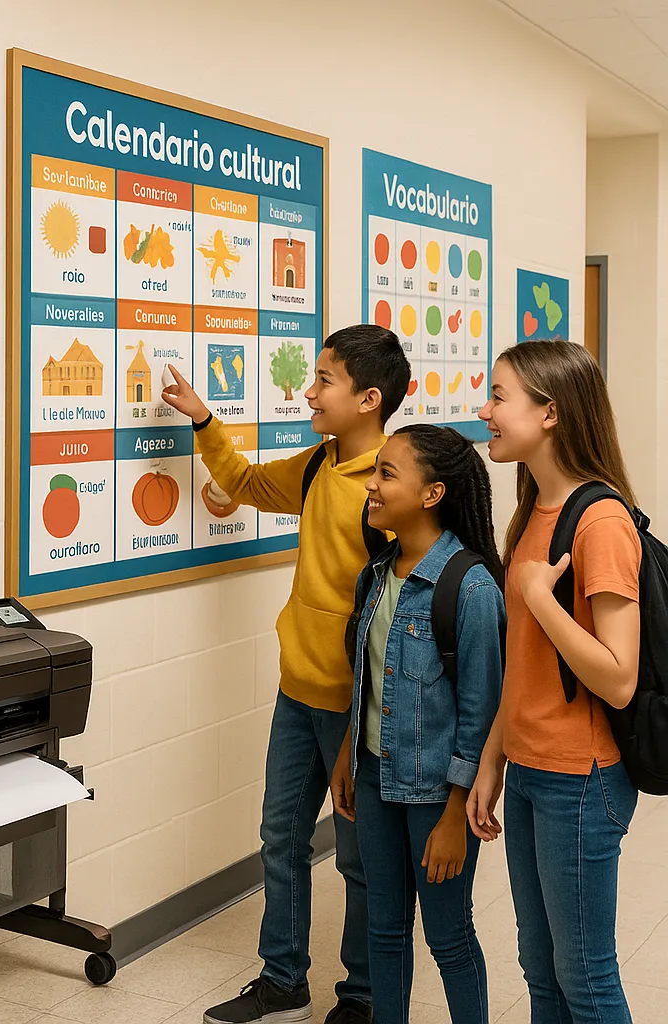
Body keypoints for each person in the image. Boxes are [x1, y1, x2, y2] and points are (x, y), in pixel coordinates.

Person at [162, 325, 411, 1024]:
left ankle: (363, 997)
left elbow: (400, 618)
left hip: (361, 710)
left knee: (361, 862)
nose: (310, 390)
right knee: (281, 840)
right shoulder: (316, 466)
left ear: (368, 399)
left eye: (324, 379)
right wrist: (206, 421)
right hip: (296, 695)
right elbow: (241, 482)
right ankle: (283, 981)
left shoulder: (392, 489)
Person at [468, 340, 641, 1024]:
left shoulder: (599, 521)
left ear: (550, 413)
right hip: (533, 768)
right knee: (541, 973)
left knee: (586, 979)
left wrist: (541, 598)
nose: (484, 410)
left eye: (500, 396)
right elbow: (523, 662)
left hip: (583, 777)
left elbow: (620, 678)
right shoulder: (532, 509)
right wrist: (492, 760)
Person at [331, 425, 505, 1024]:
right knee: (384, 927)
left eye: (386, 473)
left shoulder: (471, 587)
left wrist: (457, 813)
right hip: (375, 777)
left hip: (437, 792)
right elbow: (369, 678)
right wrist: (348, 753)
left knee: (448, 937)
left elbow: (481, 713)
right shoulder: (375, 574)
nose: (371, 486)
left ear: (431, 494)